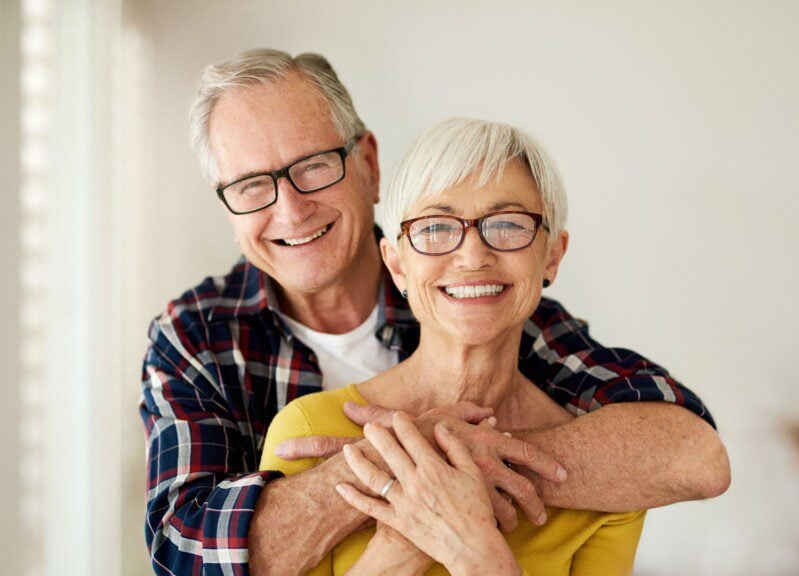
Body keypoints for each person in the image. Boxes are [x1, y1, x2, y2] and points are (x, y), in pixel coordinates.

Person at [140, 48, 729, 576]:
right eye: (249, 185)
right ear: (228, 206)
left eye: (314, 164)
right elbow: (184, 553)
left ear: (368, 162)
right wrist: (399, 468)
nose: (290, 209)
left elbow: (688, 447)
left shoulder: (477, 297)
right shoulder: (198, 336)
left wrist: (455, 457)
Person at [260, 117, 653, 575]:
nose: (472, 256)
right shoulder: (307, 431)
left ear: (552, 256)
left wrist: (476, 551)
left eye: (507, 224)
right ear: (397, 264)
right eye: (435, 228)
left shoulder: (607, 486)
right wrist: (408, 537)